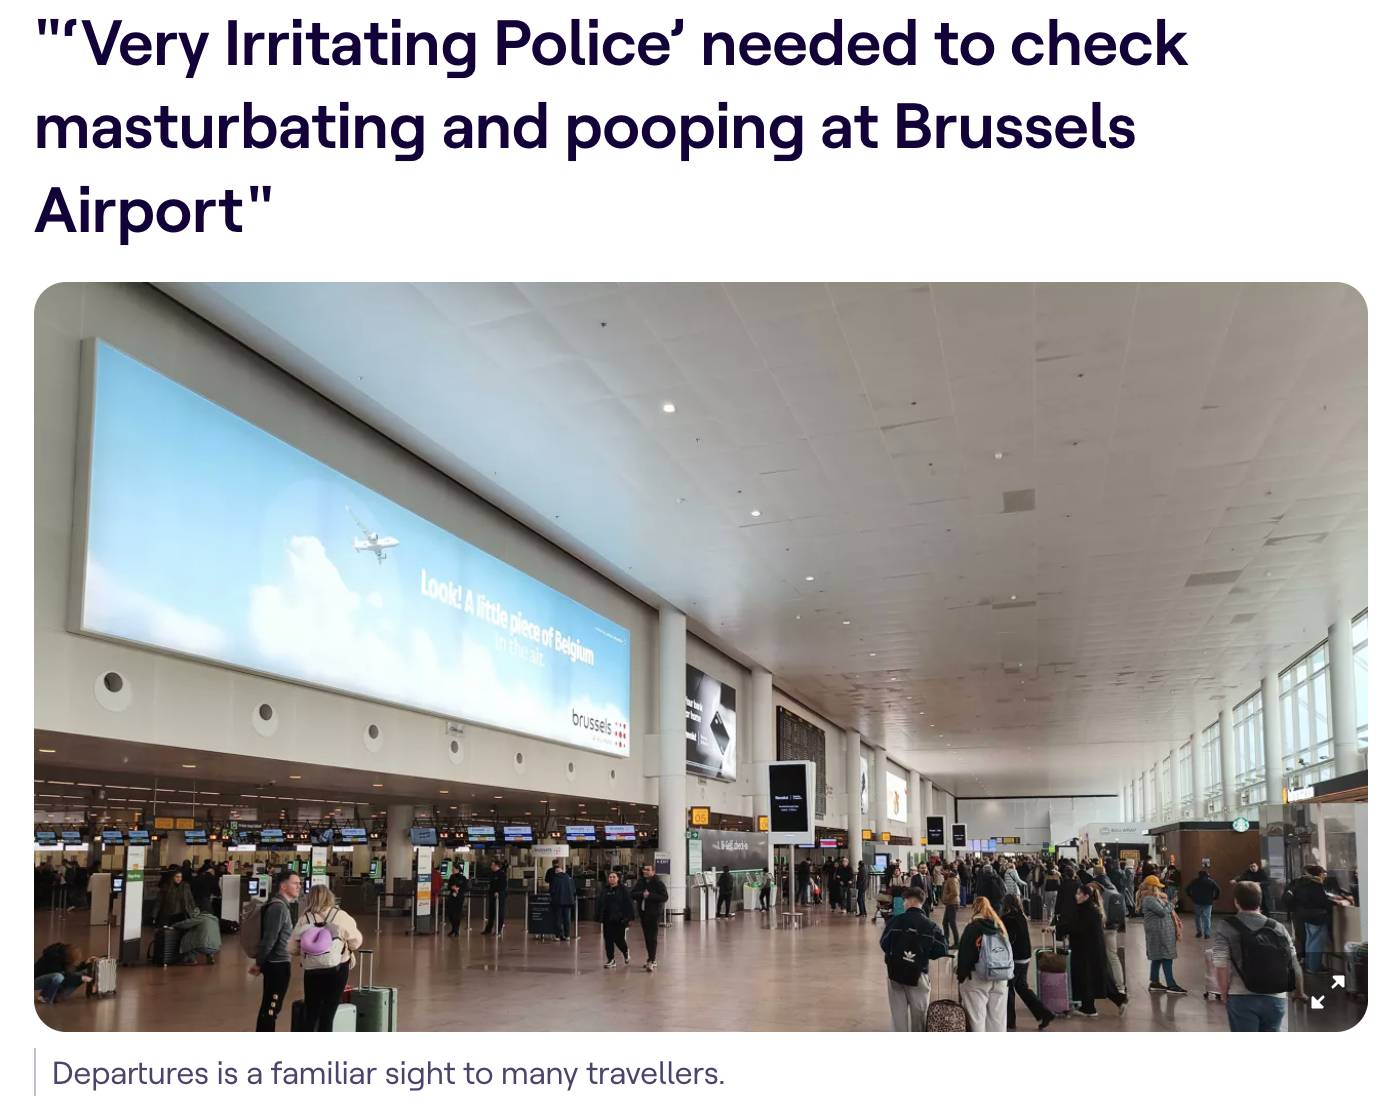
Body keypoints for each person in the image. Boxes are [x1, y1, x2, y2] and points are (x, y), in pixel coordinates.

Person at [1213, 882, 1307, 1031]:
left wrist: (1225, 993)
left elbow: (1221, 964)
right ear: (1260, 900)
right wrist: (1299, 991)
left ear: (1236, 901)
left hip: (1241, 996)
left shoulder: (1226, 926)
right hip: (1275, 997)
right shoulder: (1278, 927)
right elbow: (1293, 963)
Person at [288, 884, 363, 1031]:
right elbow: (356, 942)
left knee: (311, 1011)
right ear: (330, 897)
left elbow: (292, 948)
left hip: (312, 969)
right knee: (328, 1013)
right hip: (338, 968)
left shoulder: (305, 918)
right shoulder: (341, 916)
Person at [879, 886, 950, 1031]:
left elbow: (884, 943)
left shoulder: (896, 920)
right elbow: (942, 948)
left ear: (911, 901)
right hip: (919, 973)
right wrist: (925, 954)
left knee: (898, 1016)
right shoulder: (930, 925)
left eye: (905, 901)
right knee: (920, 1016)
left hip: (895, 973)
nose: (903, 904)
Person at [1056, 884, 1129, 1017]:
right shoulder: (1088, 909)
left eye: (1079, 894)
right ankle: (1089, 1006)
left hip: (1088, 951)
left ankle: (1110, 1001)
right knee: (1092, 977)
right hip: (1089, 950)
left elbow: (1077, 927)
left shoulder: (1090, 911)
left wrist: (1059, 929)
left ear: (1086, 896)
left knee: (1092, 977)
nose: (1076, 896)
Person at [250, 869, 300, 1031]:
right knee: (271, 1007)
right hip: (277, 965)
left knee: (271, 1006)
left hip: (279, 962)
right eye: (295, 883)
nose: (299, 887)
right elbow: (269, 939)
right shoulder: (278, 908)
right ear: (283, 886)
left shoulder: (282, 906)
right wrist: (259, 963)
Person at [956, 896, 1012, 1032]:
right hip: (1001, 976)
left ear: (975, 909)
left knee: (976, 1019)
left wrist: (961, 976)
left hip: (977, 978)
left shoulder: (972, 928)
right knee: (997, 1020)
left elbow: (965, 956)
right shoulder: (1000, 927)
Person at [1000, 894, 1055, 1030]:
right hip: (1025, 956)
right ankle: (1044, 1013)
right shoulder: (1021, 916)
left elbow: (1009, 939)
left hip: (1015, 958)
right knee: (1021, 987)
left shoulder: (1008, 919)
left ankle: (1010, 1021)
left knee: (1008, 987)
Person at [1141, 881, 1187, 993]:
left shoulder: (1153, 898)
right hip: (1160, 932)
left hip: (1161, 931)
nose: (1160, 889)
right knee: (1166, 957)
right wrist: (1172, 903)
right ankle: (1171, 985)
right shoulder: (1149, 899)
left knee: (1158, 957)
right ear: (1152, 887)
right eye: (1158, 887)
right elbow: (1162, 912)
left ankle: (1155, 982)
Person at [1293, 865, 1338, 972]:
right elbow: (1321, 901)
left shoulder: (1303, 883)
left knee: (1310, 941)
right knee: (1317, 942)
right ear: (1319, 874)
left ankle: (1310, 965)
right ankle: (1314, 967)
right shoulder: (1316, 885)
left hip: (1306, 916)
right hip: (1317, 916)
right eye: (1323, 874)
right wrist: (1334, 902)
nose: (1324, 876)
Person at [630, 864, 668, 970]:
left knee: (652, 936)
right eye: (644, 870)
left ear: (653, 871)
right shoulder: (641, 882)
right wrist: (642, 894)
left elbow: (664, 897)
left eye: (648, 870)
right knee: (647, 937)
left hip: (654, 913)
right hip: (643, 913)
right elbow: (632, 894)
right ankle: (650, 958)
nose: (645, 871)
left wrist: (650, 896)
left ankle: (652, 959)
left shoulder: (658, 883)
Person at [596, 870, 635, 968]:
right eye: (610, 877)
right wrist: (597, 915)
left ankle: (625, 951)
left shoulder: (623, 890)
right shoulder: (605, 890)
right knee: (608, 939)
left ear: (618, 879)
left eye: (614, 877)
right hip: (607, 918)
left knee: (619, 939)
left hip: (619, 918)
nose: (612, 879)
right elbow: (600, 903)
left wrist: (630, 917)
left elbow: (629, 903)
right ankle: (611, 959)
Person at [1186, 868, 1221, 938]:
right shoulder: (1211, 882)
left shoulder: (1194, 881)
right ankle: (1207, 934)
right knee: (1207, 918)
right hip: (1208, 902)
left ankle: (1199, 932)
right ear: (1207, 875)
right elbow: (1218, 890)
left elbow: (1187, 889)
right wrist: (1215, 898)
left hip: (1197, 902)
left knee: (1198, 917)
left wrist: (1192, 897)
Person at [549, 861, 576, 942]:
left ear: (556, 873)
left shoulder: (555, 879)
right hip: (568, 901)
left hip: (558, 901)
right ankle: (567, 935)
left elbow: (552, 890)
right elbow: (574, 890)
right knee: (567, 918)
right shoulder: (570, 879)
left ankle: (558, 936)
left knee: (558, 918)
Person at [482, 860, 507, 936]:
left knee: (500, 912)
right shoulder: (491, 874)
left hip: (499, 896)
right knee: (491, 912)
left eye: (492, 865)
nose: (491, 866)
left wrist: (498, 892)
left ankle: (498, 930)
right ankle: (488, 929)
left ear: (496, 866)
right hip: (492, 895)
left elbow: (503, 885)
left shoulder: (502, 874)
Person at [940, 868, 962, 947]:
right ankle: (946, 941)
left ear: (947, 871)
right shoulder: (950, 879)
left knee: (952, 923)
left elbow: (955, 892)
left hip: (953, 903)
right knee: (945, 922)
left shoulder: (952, 879)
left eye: (943, 870)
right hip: (950, 903)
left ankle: (957, 942)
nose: (941, 872)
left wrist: (946, 898)